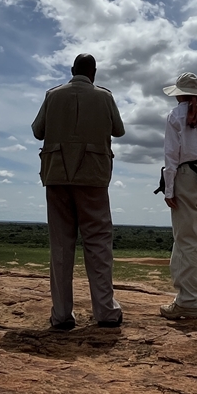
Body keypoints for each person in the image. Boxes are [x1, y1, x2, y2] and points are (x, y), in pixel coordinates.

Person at [32, 53, 126, 330]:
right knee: (98, 244)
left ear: (72, 70)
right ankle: (106, 312)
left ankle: (61, 315)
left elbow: (38, 131)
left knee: (61, 245)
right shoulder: (104, 97)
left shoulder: (53, 95)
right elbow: (119, 130)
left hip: (57, 174)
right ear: (93, 73)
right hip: (93, 176)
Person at [159, 71, 197, 320]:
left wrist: (169, 189)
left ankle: (187, 301)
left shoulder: (175, 115)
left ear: (180, 94)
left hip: (186, 176)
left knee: (186, 241)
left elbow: (172, 155)